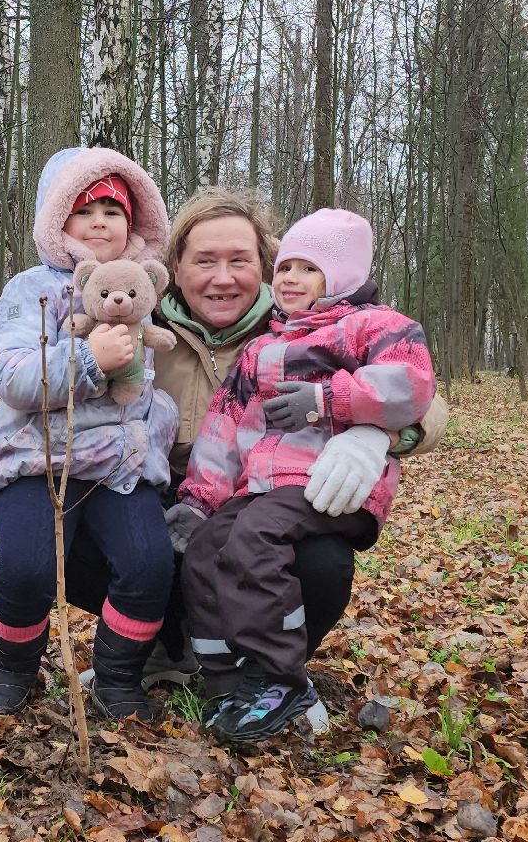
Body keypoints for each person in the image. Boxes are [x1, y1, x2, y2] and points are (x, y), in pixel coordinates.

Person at [0, 188, 447, 713]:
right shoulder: (138, 318)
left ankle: (271, 672)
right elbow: (40, 391)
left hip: (259, 501)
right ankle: (161, 647)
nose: (222, 277)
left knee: (323, 560)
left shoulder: (304, 329)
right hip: (155, 489)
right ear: (174, 269)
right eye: (204, 261)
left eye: (240, 261)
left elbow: (422, 394)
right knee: (86, 538)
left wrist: (379, 435)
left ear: (266, 266)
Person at [171, 208, 435, 743]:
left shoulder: (375, 326)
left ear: (341, 278)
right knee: (205, 548)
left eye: (309, 269)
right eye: (286, 267)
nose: (291, 278)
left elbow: (411, 386)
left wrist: (334, 403)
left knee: (254, 540)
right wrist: (198, 501)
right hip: (262, 483)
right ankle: (227, 679)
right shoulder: (263, 347)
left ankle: (279, 676)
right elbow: (224, 428)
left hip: (329, 480)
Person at [0, 147, 179, 722]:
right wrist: (88, 359)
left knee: (148, 563)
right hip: (37, 456)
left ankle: (118, 676)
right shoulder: (30, 288)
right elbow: (11, 375)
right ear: (56, 220)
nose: (99, 222)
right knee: (27, 568)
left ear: (133, 223)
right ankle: (14, 668)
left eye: (113, 211)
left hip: (120, 460)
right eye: (83, 211)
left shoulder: (143, 290)